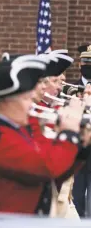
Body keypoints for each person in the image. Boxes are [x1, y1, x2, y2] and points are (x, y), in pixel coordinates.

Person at [0, 57, 91, 215]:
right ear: (4, 103)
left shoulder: (21, 127)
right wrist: (68, 133)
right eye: (25, 99)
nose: (31, 105)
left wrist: (82, 145)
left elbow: (58, 173)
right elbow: (46, 168)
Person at [73, 44, 91, 217]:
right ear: (80, 65)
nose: (88, 66)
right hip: (77, 152)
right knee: (76, 198)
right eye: (86, 62)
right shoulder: (70, 89)